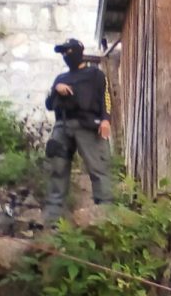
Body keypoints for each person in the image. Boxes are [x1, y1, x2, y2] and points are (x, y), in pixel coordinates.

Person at [43, 38, 114, 226]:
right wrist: (56, 90)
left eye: (68, 51)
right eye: (62, 53)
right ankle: (52, 219)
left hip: (88, 125)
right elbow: (49, 105)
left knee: (99, 168)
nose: (65, 55)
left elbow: (106, 97)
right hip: (62, 126)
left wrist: (106, 120)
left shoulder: (95, 75)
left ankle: (106, 216)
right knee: (57, 168)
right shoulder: (60, 78)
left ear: (77, 52)